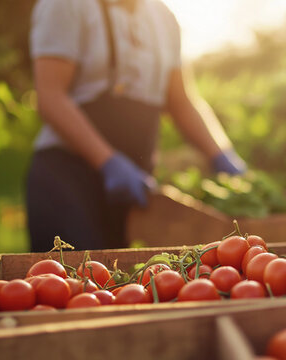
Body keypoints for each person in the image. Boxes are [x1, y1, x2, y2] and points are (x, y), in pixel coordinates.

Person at [25, 0, 247, 252]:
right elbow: (51, 97)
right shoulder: (66, 6)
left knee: (121, 279)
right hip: (67, 179)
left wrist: (222, 155)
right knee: (75, 279)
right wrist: (108, 162)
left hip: (134, 186)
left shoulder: (163, 17)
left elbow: (181, 101)